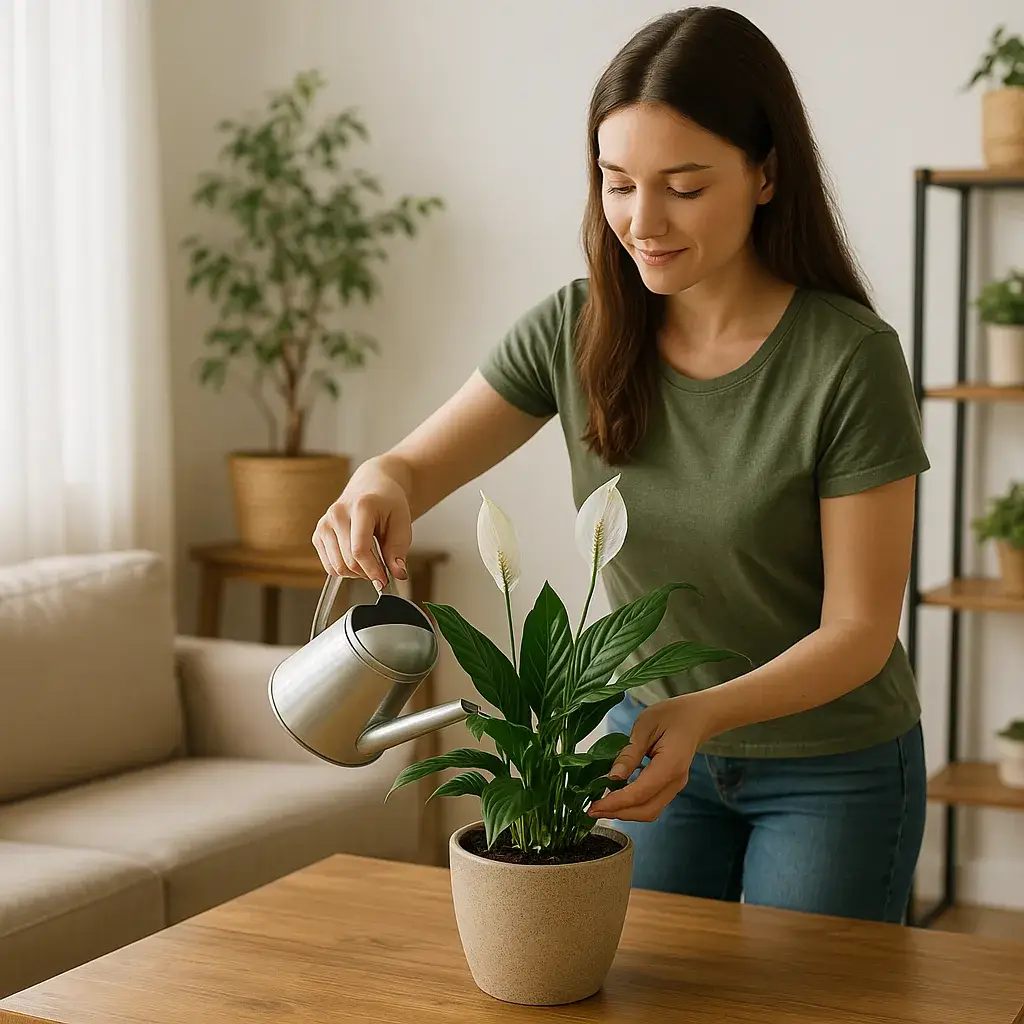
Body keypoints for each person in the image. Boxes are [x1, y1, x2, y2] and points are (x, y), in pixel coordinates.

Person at [312, 6, 930, 925]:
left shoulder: (847, 360)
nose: (643, 221)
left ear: (766, 174)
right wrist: (378, 484)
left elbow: (860, 630)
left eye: (683, 187)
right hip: (643, 746)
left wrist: (703, 713)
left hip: (827, 766)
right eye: (617, 182)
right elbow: (409, 466)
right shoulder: (578, 328)